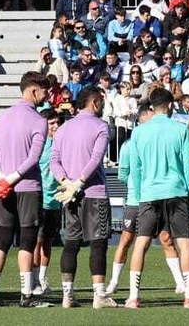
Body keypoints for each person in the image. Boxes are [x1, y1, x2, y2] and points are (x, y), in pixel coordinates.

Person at [125, 87, 189, 309]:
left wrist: (142, 195)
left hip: (149, 194)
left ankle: (133, 297)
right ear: (170, 105)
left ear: (152, 107)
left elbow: (136, 167)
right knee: (185, 244)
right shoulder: (181, 130)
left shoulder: (139, 132)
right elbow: (188, 165)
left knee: (140, 244)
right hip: (177, 192)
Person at [0, 71, 51, 307]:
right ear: (34, 91)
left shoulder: (2, 119)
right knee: (27, 240)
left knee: (1, 239)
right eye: (45, 91)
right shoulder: (39, 121)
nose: (48, 95)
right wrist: (10, 179)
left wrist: (0, 178)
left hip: (5, 188)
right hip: (27, 187)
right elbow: (34, 158)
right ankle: (27, 295)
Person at [107, 105, 187, 301]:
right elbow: (123, 174)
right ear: (142, 119)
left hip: (157, 197)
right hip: (137, 201)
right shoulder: (128, 145)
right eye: (151, 117)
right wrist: (137, 186)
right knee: (127, 241)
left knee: (167, 239)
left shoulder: (157, 138)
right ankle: (114, 282)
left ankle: (181, 283)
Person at [50, 87, 114, 308]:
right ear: (95, 103)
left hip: (70, 196)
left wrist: (67, 183)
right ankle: (99, 295)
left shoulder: (63, 128)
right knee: (98, 243)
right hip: (93, 192)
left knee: (71, 243)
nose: (103, 106)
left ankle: (67, 295)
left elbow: (54, 162)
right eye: (102, 102)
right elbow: (96, 158)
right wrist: (78, 183)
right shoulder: (101, 127)